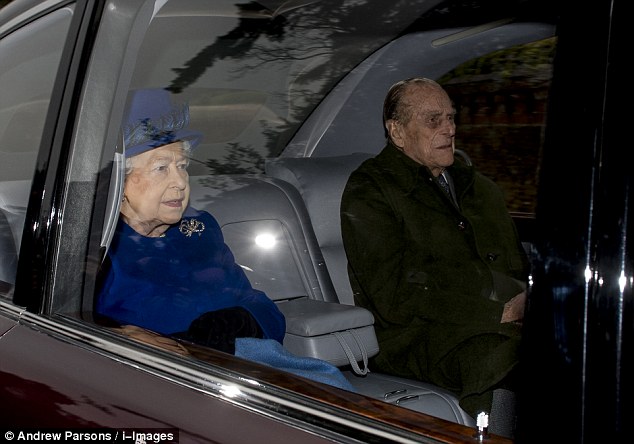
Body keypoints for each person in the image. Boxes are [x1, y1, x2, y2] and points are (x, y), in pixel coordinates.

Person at [96, 88, 354, 391]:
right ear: (120, 181)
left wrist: (243, 320)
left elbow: (259, 304)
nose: (180, 182)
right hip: (170, 380)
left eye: (182, 166)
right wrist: (120, 336)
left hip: (250, 363)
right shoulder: (99, 250)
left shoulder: (200, 229)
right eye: (161, 168)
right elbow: (77, 330)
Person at [340, 78, 529, 437]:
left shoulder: (480, 189)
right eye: (433, 120)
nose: (450, 128)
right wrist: (498, 313)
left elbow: (514, 263)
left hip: (498, 316)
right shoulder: (371, 190)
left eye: (451, 118)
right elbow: (394, 295)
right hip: (417, 335)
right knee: (506, 357)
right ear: (397, 132)